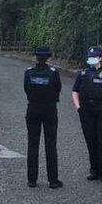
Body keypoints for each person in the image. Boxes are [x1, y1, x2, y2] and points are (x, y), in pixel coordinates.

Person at [71, 46, 102, 185]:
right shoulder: (82, 74)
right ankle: (95, 170)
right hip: (86, 111)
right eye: (90, 56)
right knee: (91, 140)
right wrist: (78, 107)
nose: (91, 59)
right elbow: (75, 91)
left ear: (100, 58)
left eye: (94, 56)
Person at [24, 46, 63, 188]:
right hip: (49, 110)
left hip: (33, 109)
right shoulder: (53, 73)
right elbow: (58, 88)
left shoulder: (29, 73)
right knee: (50, 144)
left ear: (36, 57)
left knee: (32, 144)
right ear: (48, 58)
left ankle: (32, 180)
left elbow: (26, 89)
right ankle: (53, 180)